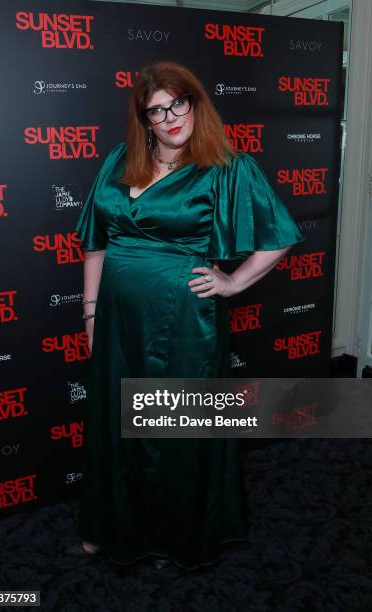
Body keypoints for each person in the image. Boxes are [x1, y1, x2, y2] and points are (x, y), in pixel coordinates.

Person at [69, 61, 305, 571]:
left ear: (195, 103)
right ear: (144, 121)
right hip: (117, 320)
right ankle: (111, 527)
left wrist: (234, 281)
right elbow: (96, 244)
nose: (171, 117)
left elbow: (280, 235)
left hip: (185, 321)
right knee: (117, 422)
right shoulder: (118, 160)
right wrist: (90, 314)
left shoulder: (225, 165)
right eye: (158, 111)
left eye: (179, 103)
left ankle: (180, 536)